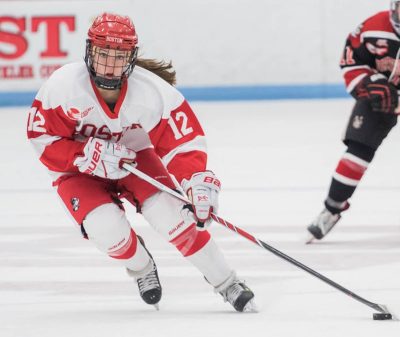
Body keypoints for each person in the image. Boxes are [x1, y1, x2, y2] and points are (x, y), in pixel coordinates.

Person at [27, 12, 255, 312]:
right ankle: (142, 267)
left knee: (174, 216)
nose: (110, 64)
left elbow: (183, 143)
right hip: (77, 173)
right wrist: (83, 156)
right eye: (102, 54)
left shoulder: (152, 93)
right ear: (88, 51)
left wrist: (196, 181)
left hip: (134, 160)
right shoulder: (63, 87)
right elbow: (41, 138)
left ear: (132, 58)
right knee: (105, 229)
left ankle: (226, 282)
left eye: (119, 56)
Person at [307, 1, 400, 243]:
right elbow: (352, 62)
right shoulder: (372, 29)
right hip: (385, 96)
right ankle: (332, 208)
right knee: (358, 151)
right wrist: (368, 85)